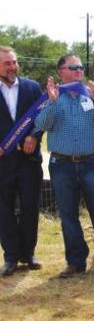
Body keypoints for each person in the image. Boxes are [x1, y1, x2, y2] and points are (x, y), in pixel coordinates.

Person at [34, 54, 94, 280]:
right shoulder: (53, 97)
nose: (78, 71)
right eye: (73, 67)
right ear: (61, 72)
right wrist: (52, 103)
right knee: (68, 215)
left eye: (80, 67)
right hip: (62, 165)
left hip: (91, 163)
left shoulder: (92, 94)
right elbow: (41, 124)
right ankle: (75, 261)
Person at [0, 46, 43, 276]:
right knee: (3, 209)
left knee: (30, 207)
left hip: (29, 161)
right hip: (2, 163)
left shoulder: (32, 88)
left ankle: (29, 253)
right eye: (7, 63)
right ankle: (10, 256)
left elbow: (42, 117)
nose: (12, 67)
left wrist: (34, 136)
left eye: (14, 62)